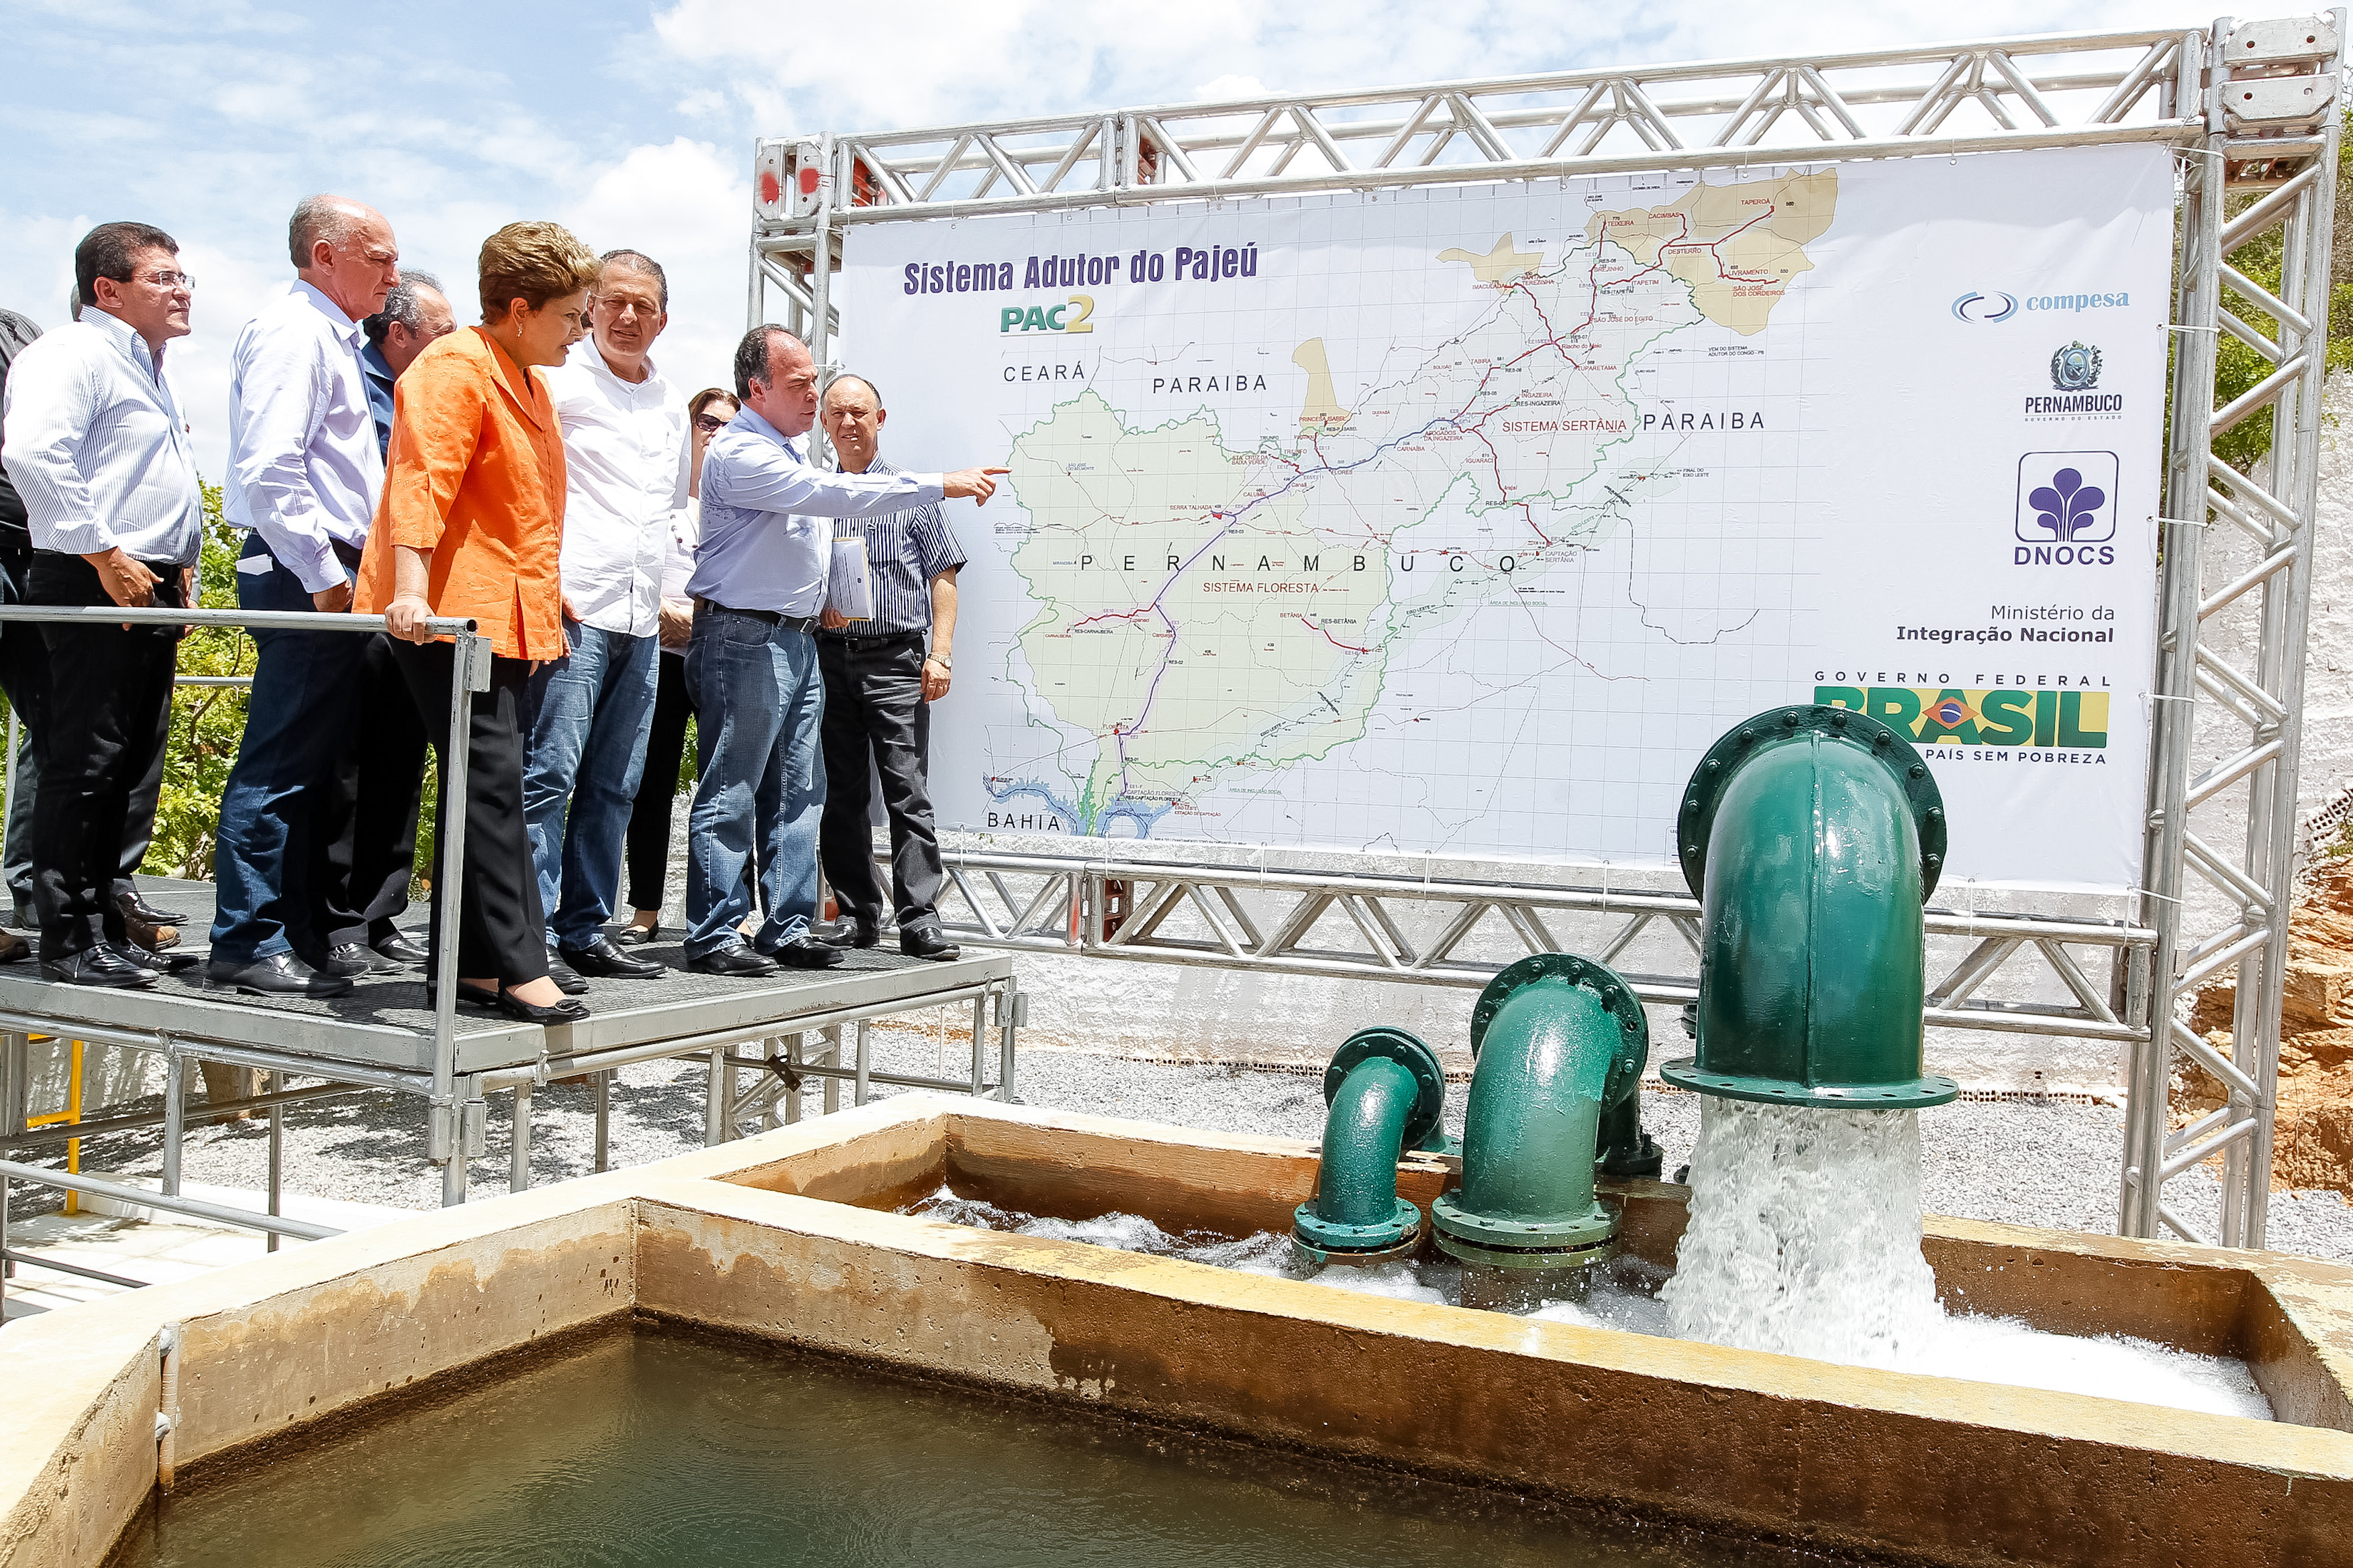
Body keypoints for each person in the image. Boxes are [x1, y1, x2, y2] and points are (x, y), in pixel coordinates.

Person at [681, 325, 1003, 977]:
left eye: (815, 382)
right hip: (745, 637)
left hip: (804, 640)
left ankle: (789, 925)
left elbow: (805, 539)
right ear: (757, 389)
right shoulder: (745, 453)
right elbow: (833, 498)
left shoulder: (790, 455)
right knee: (736, 785)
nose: (813, 397)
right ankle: (716, 933)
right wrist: (940, 482)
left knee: (803, 791)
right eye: (800, 385)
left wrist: (822, 593)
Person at [357, 221, 601, 1025]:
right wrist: (413, 591)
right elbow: (420, 480)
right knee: (491, 783)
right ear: (521, 308)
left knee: (484, 783)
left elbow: (528, 510)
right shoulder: (454, 366)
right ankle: (522, 963)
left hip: (510, 612)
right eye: (571, 316)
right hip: (447, 616)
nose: (581, 331)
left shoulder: (527, 378)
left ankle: (468, 969)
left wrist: (549, 592)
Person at [207, 195, 413, 998]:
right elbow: (271, 469)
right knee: (283, 761)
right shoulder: (295, 333)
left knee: (320, 765)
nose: (393, 276)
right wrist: (327, 576)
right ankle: (247, 939)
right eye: (379, 257)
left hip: (333, 568)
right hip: (308, 570)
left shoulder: (329, 335)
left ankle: (291, 933)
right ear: (325, 256)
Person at [0, 223, 204, 986]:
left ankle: (105, 926)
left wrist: (177, 561)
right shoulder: (73, 352)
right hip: (92, 571)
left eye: (184, 278)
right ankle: (69, 938)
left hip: (143, 575)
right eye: (163, 278)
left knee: (126, 764)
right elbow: (31, 453)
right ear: (107, 290)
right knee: (83, 762)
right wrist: (104, 553)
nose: (182, 290)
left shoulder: (152, 365)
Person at [519, 250, 686, 984]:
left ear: (662, 318)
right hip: (572, 607)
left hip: (640, 618)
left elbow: (668, 511)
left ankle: (585, 927)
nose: (626, 317)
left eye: (642, 305)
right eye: (613, 302)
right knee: (548, 774)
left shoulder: (670, 400)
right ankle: (525, 935)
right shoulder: (553, 381)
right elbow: (525, 488)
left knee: (615, 783)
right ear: (588, 307)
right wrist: (541, 578)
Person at [812, 375, 965, 961]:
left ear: (881, 417)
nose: (848, 423)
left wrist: (940, 652)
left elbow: (943, 575)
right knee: (840, 796)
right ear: (824, 423)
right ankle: (856, 915)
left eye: (858, 412)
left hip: (897, 660)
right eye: (836, 413)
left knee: (907, 791)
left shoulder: (911, 492)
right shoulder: (816, 494)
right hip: (829, 658)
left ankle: (920, 919)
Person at [615, 385, 733, 947]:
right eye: (709, 423)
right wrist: (665, 614)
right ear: (689, 428)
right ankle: (644, 909)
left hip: (719, 656)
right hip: (659, 654)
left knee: (728, 784)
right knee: (651, 781)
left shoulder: (743, 505)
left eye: (730, 426)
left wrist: (703, 619)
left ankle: (726, 912)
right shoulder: (658, 498)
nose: (718, 435)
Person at [360, 270, 456, 458]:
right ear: (399, 334)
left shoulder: (436, 389)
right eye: (444, 333)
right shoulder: (354, 387)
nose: (455, 344)